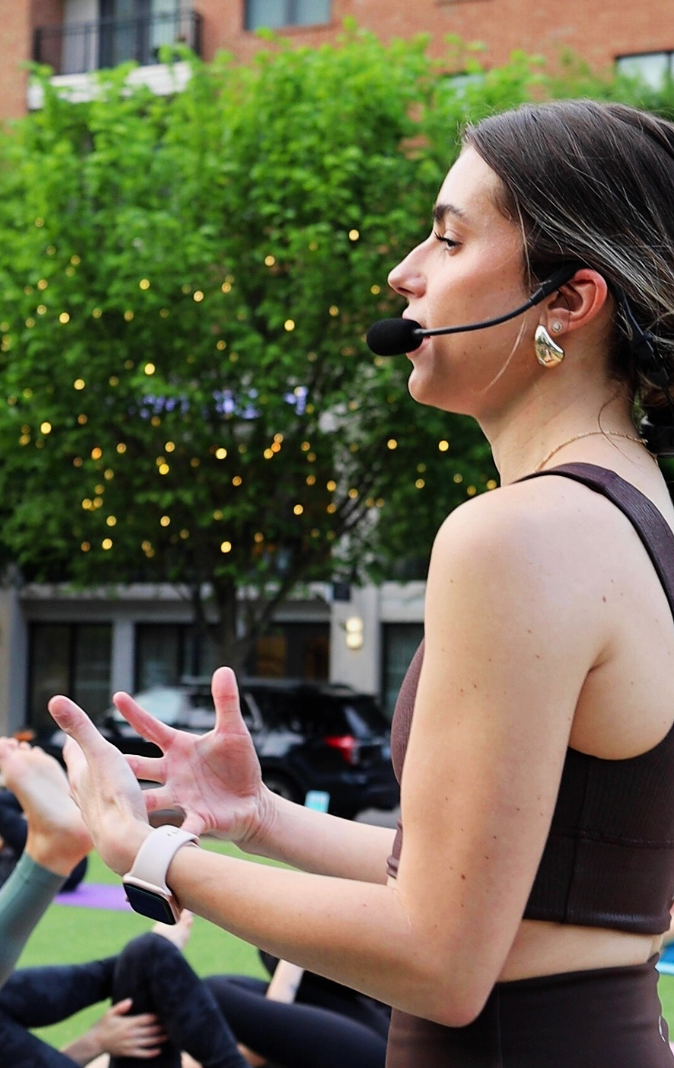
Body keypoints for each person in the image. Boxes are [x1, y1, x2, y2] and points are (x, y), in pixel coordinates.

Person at [49, 98, 674, 1066]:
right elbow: (515, 888)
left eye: (446, 236)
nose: (403, 272)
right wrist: (258, 816)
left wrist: (146, 851)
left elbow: (437, 954)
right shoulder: (638, 514)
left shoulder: (513, 535)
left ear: (565, 301)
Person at [0, 739, 389, 1068]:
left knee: (149, 953)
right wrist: (94, 1043)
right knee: (216, 985)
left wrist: (96, 1041)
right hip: (386, 1032)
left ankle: (51, 852)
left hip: (380, 1020)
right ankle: (50, 853)